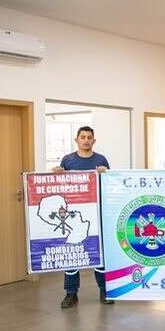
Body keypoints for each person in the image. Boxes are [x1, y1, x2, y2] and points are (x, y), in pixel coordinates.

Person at [52, 126, 112, 309]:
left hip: (96, 213)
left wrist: (106, 174)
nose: (86, 140)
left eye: (89, 137)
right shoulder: (68, 160)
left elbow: (110, 185)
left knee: (99, 253)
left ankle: (104, 290)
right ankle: (71, 293)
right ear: (76, 140)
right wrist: (55, 173)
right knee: (72, 253)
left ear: (94, 140)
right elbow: (59, 186)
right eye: (83, 137)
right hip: (74, 217)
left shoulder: (101, 160)